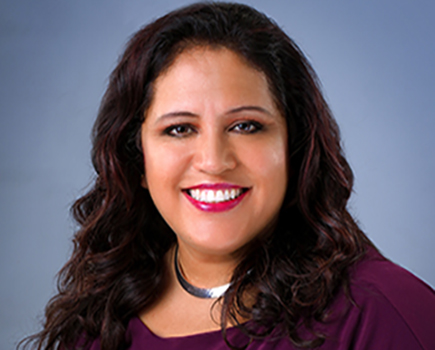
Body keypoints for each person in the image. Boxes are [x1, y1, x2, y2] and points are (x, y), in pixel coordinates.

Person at [22, 2, 435, 350]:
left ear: (293, 146)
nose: (214, 161)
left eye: (246, 126)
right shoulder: (99, 319)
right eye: (179, 129)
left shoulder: (382, 313)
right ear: (137, 161)